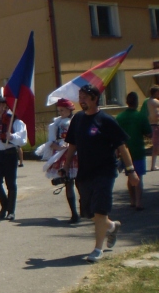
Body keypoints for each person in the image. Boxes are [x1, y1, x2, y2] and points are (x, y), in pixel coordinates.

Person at [65, 85, 140, 262]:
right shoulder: (78, 119)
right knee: (90, 212)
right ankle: (112, 227)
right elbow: (72, 145)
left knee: (100, 210)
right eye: (80, 96)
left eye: (84, 97)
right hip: (84, 173)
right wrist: (66, 166)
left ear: (94, 98)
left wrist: (131, 171)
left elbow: (122, 147)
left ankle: (97, 249)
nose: (81, 100)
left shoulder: (106, 120)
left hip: (105, 172)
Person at [34, 98, 79, 223]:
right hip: (62, 154)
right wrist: (59, 148)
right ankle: (74, 213)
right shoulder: (55, 124)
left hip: (76, 153)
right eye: (59, 110)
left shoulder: (76, 121)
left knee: (81, 182)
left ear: (69, 110)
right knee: (68, 183)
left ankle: (84, 207)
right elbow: (51, 142)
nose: (61, 112)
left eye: (63, 110)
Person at [116, 92, 152, 210]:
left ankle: (132, 200)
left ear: (127, 102)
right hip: (138, 150)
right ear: (136, 102)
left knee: (130, 176)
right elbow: (148, 133)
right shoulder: (140, 116)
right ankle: (138, 202)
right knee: (138, 177)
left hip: (125, 152)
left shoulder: (120, 117)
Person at [141, 84, 159, 171]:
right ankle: (153, 166)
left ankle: (153, 165)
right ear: (155, 92)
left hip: (154, 124)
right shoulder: (154, 101)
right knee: (156, 146)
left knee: (156, 146)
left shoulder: (149, 101)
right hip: (155, 125)